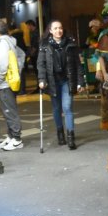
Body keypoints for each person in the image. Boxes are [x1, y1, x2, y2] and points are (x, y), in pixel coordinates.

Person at [37, 20, 85, 150]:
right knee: (57, 109)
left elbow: (78, 65)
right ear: (50, 31)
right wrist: (42, 79)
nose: (59, 30)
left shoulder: (70, 44)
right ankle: (60, 134)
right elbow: (41, 64)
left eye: (60, 28)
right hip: (53, 81)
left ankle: (70, 137)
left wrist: (81, 82)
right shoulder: (45, 46)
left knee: (67, 107)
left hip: (66, 81)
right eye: (56, 28)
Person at [0, 19, 24, 151]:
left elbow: (3, 66)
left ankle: (17, 139)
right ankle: (11, 136)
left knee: (9, 111)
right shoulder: (10, 41)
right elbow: (22, 55)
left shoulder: (1, 44)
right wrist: (18, 71)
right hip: (10, 81)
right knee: (9, 109)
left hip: (5, 83)